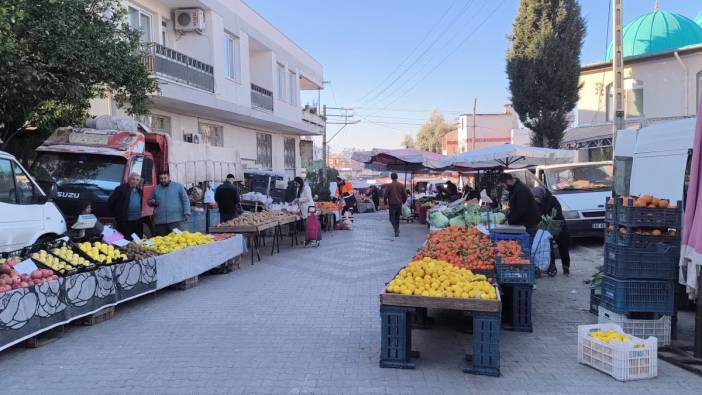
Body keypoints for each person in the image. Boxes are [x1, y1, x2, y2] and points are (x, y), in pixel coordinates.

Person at [532, 186, 571, 276]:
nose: (537, 199)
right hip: (546, 228)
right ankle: (552, 266)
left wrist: (550, 220)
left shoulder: (553, 200)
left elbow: (558, 213)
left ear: (542, 195)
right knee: (548, 247)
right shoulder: (537, 202)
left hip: (559, 226)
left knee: (563, 246)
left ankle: (566, 267)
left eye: (537, 197)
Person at [496, 173, 541, 238]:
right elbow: (515, 208)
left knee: (527, 245)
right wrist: (507, 218)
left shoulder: (521, 189)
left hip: (528, 225)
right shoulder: (514, 188)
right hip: (524, 223)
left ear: (508, 181)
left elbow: (521, 210)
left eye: (503, 186)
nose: (504, 188)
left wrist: (509, 221)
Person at [148, 171, 191, 236]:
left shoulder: (178, 186)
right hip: (160, 221)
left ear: (169, 177)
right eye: (161, 178)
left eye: (165, 178)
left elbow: (185, 200)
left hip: (176, 220)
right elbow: (149, 201)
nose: (163, 180)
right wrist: (151, 202)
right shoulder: (156, 189)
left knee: (178, 240)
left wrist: (187, 212)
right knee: (163, 242)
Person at [107, 172, 144, 240]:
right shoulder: (121, 189)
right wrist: (117, 214)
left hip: (136, 220)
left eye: (137, 180)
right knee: (124, 240)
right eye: (133, 179)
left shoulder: (140, 191)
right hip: (124, 221)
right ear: (129, 179)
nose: (135, 181)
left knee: (135, 239)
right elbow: (110, 202)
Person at [384, 172, 407, 237]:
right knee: (397, 218)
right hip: (399, 204)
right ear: (397, 177)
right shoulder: (401, 185)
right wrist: (404, 201)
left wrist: (385, 201)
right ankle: (396, 230)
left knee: (391, 218)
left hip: (392, 204)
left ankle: (396, 229)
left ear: (391, 177)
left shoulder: (389, 185)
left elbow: (385, 195)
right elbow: (405, 195)